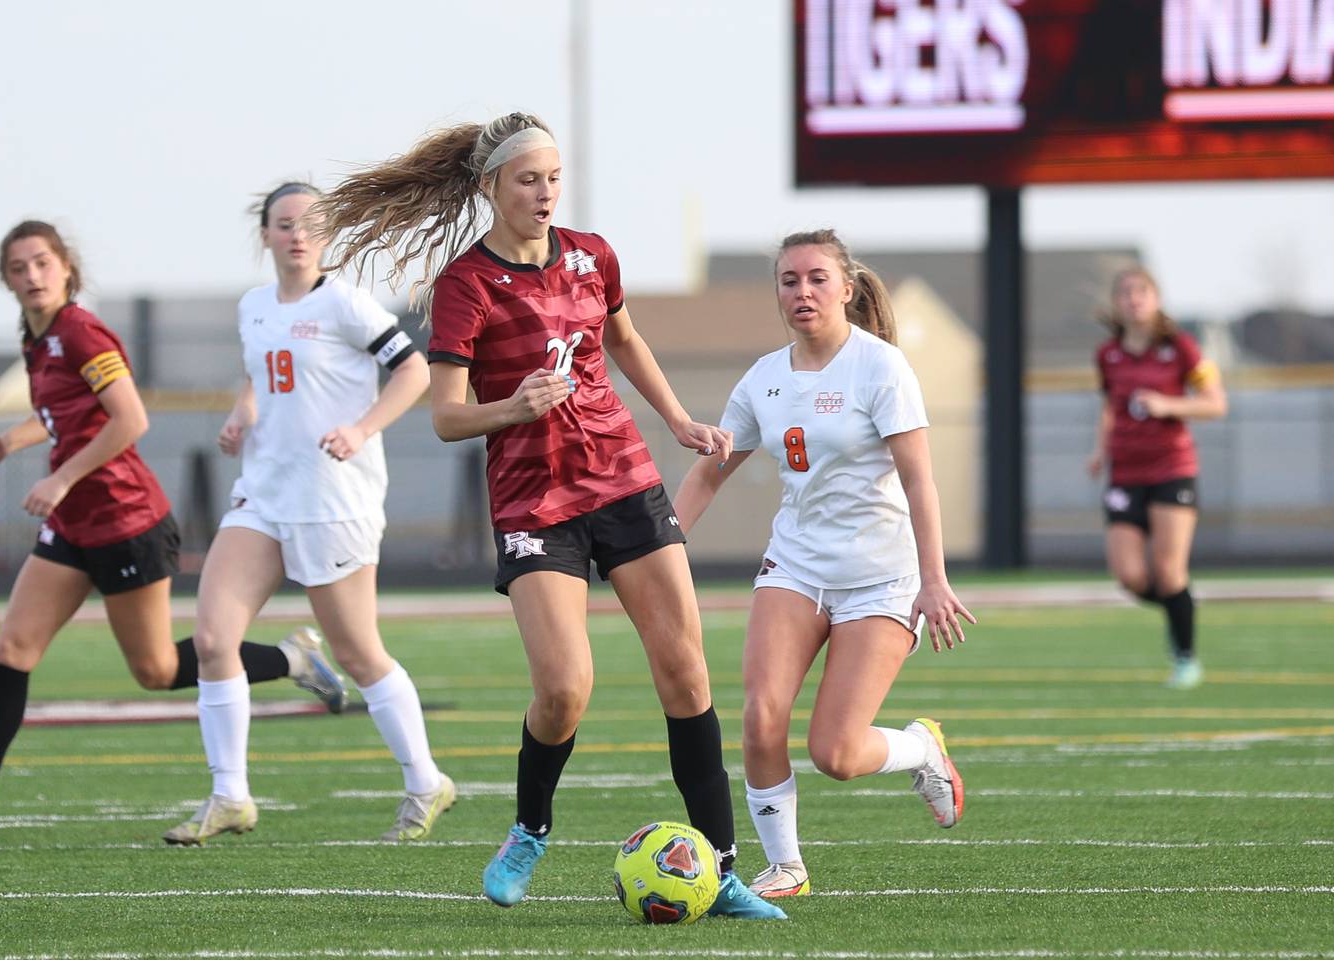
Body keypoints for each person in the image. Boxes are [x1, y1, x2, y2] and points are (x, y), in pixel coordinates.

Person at [318, 112, 784, 919]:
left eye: (554, 177)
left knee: (686, 674)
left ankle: (723, 866)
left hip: (624, 480)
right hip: (534, 502)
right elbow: (446, 417)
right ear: (490, 187)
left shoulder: (592, 254)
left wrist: (675, 421)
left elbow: (625, 341)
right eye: (528, 179)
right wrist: (514, 405)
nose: (544, 192)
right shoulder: (464, 286)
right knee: (565, 689)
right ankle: (530, 830)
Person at [0, 221, 344, 844]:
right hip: (73, 528)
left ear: (65, 268)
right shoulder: (37, 338)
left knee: (157, 670)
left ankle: (294, 657)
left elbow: (129, 419)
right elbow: (61, 415)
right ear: (6, 279)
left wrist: (59, 480)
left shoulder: (81, 331)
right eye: (18, 267)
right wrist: (10, 440)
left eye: (41, 263)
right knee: (12, 651)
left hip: (126, 523)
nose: (31, 275)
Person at [672, 230, 975, 899]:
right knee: (759, 716)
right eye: (788, 280)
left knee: (835, 754)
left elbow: (921, 482)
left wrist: (933, 579)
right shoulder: (764, 379)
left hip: (882, 577)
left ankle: (923, 750)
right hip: (796, 566)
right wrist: (661, 549)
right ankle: (786, 867)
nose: (801, 292)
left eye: (815, 278)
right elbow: (706, 477)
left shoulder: (881, 368)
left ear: (846, 286)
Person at [163, 183, 453, 846]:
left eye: (309, 226)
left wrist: (361, 427)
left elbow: (411, 372)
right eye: (284, 225)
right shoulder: (254, 306)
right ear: (264, 234)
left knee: (357, 652)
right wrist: (244, 413)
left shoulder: (345, 302)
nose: (297, 236)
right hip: (264, 493)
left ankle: (425, 780)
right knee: (212, 640)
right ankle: (230, 796)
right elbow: (261, 372)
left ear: (326, 237)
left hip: (333, 500)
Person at [1086, 266, 1227, 690]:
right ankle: (1177, 610)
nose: (1134, 299)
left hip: (1172, 469)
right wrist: (1100, 450)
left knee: (1168, 573)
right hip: (1125, 473)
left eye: (1142, 291)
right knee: (1130, 576)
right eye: (1126, 292)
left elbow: (1216, 404)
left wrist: (1169, 405)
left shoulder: (1181, 348)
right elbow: (1111, 407)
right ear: (1117, 303)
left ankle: (1185, 658)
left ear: (1157, 298)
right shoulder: (1108, 355)